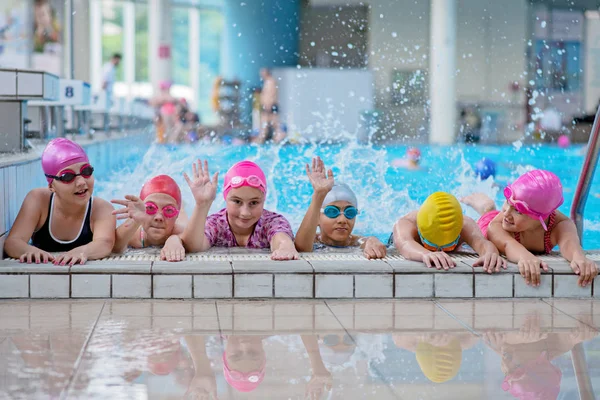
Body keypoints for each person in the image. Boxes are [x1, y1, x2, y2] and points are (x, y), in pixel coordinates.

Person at [461, 169, 598, 287]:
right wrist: (524, 256)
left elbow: (570, 243)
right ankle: (487, 207)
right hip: (488, 223)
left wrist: (579, 258)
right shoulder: (496, 226)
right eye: (508, 202)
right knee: (490, 214)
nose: (507, 212)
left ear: (542, 217)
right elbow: (508, 244)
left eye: (519, 211)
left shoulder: (559, 225)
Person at [4, 138, 115, 265]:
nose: (81, 182)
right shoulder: (38, 200)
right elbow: (13, 242)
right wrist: (29, 250)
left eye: (86, 171)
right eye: (67, 176)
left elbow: (105, 243)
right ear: (51, 186)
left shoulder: (102, 209)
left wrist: (83, 251)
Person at [180, 160, 298, 260]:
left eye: (254, 203)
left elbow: (281, 237)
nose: (245, 212)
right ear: (225, 198)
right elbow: (194, 247)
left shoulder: (272, 221)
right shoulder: (217, 223)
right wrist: (202, 205)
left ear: (263, 200)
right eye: (237, 201)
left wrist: (285, 246)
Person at [295, 156, 387, 259]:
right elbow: (301, 249)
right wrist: (319, 195)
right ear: (316, 218)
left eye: (350, 212)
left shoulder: (357, 243)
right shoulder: (311, 240)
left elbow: (366, 241)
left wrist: (373, 240)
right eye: (332, 212)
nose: (343, 220)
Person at [391, 192, 506, 272]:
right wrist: (425, 254)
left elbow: (482, 243)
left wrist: (490, 254)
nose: (440, 251)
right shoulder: (405, 224)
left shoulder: (464, 224)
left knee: (490, 232)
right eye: (430, 246)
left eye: (449, 247)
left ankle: (487, 209)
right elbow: (405, 244)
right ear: (420, 233)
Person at [111, 175, 188, 262]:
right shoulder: (136, 235)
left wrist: (175, 238)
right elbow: (114, 247)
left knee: (182, 212)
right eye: (150, 208)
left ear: (176, 215)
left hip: (180, 218)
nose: (159, 217)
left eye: (169, 210)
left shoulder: (180, 230)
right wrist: (136, 221)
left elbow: (197, 241)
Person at [254, 68, 285, 144]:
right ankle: (268, 139)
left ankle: (277, 138)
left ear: (266, 73)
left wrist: (268, 105)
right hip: (268, 106)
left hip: (270, 106)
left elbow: (271, 94)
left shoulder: (271, 81)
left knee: (272, 124)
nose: (261, 75)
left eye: (262, 73)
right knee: (270, 124)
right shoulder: (267, 81)